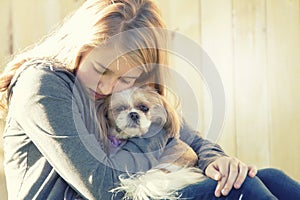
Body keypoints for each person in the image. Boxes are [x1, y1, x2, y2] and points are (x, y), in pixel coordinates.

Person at [0, 0, 299, 199]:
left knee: (272, 179)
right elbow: (104, 187)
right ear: (78, 47)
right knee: (240, 191)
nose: (108, 87)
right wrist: (170, 149)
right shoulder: (42, 84)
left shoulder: (117, 89)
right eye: (100, 70)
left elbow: (185, 135)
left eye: (127, 79)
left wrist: (215, 160)